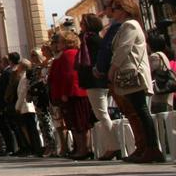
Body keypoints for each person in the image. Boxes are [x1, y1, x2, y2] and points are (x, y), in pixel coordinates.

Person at [107, 0, 164, 163]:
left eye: (116, 8)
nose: (113, 11)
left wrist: (113, 68)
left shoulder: (130, 25)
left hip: (133, 75)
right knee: (139, 111)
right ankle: (145, 148)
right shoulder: (128, 25)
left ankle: (152, 148)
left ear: (124, 10)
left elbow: (124, 48)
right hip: (130, 74)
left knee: (141, 111)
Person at [77, 13, 119, 161]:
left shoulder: (91, 40)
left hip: (95, 81)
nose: (80, 25)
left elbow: (99, 59)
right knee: (101, 113)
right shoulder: (89, 39)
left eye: (82, 22)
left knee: (102, 113)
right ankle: (113, 145)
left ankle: (113, 147)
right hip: (94, 81)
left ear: (88, 25)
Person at [49, 30, 94, 160]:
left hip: (73, 93)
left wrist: (63, 93)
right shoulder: (67, 54)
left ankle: (83, 149)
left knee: (78, 123)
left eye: (59, 41)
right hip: (73, 93)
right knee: (77, 123)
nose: (57, 44)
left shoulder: (68, 54)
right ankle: (81, 148)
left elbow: (68, 76)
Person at [14, 59, 43, 157]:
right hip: (24, 106)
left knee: (32, 130)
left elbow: (23, 93)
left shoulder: (25, 76)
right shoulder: (22, 76)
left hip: (26, 107)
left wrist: (17, 106)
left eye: (19, 66)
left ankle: (36, 149)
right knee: (30, 130)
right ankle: (34, 148)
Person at [148, 32, 175, 114]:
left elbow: (149, 72)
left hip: (160, 95)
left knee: (160, 118)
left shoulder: (155, 56)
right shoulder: (163, 55)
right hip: (166, 94)